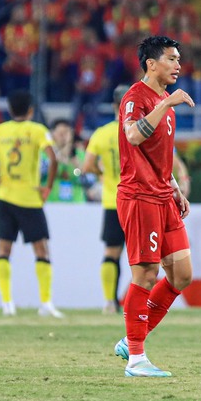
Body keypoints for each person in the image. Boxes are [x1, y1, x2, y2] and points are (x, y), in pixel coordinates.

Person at [111, 36, 195, 377]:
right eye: (171, 59)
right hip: (139, 196)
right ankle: (136, 360)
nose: (178, 65)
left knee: (182, 275)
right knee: (146, 274)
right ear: (151, 64)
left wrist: (174, 186)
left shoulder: (162, 100)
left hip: (162, 195)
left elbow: (158, 152)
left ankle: (132, 338)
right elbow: (133, 136)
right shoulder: (136, 98)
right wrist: (166, 105)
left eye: (178, 59)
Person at [0, 89, 64, 318]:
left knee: (3, 249)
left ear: (10, 110)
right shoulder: (37, 130)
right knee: (41, 249)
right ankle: (46, 303)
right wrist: (47, 186)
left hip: (5, 196)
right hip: (30, 198)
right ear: (31, 110)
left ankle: (7, 303)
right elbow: (53, 158)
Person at [82, 85, 130, 315]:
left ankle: (110, 302)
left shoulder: (102, 133)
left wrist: (104, 176)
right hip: (138, 201)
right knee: (145, 257)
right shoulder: (141, 130)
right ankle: (143, 305)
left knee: (112, 252)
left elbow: (86, 166)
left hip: (113, 200)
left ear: (113, 106)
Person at [42, 119, 86, 203]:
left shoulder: (80, 154)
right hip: (51, 202)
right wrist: (59, 158)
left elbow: (89, 180)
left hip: (76, 203)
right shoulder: (44, 153)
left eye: (67, 133)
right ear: (52, 134)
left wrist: (77, 168)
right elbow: (42, 174)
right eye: (60, 133)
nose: (64, 137)